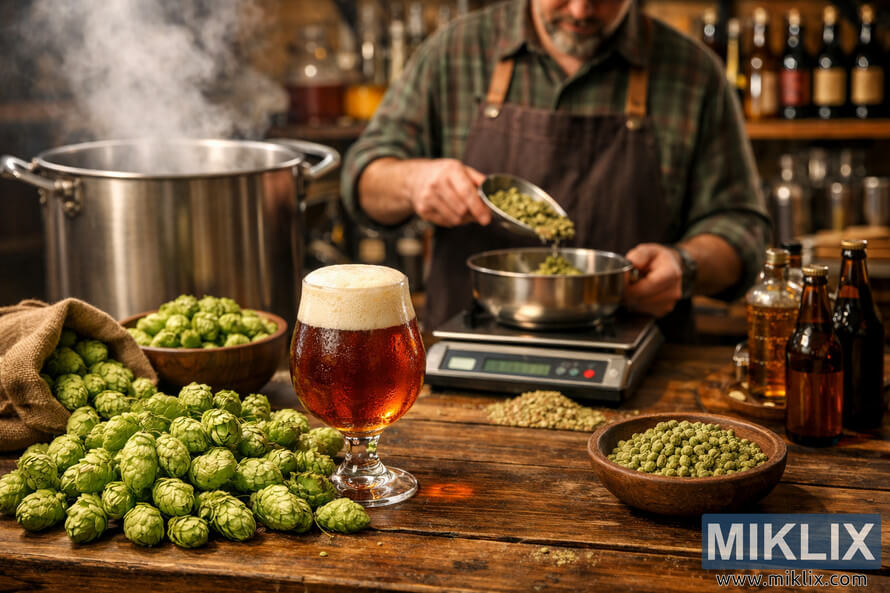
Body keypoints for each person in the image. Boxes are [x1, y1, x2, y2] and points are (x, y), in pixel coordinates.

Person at [341, 0, 770, 340]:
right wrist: (412, 181)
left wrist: (686, 264)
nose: (582, 10)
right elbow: (362, 177)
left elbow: (744, 229)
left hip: (641, 366)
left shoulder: (693, 73)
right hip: (469, 353)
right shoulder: (456, 51)